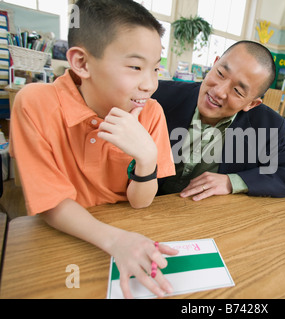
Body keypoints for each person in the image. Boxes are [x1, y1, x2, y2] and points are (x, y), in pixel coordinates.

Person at [9, 0, 178, 298]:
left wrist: (147, 159)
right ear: (82, 63)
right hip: (64, 235)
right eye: (136, 67)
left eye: (156, 68)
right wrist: (115, 241)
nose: (150, 84)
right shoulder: (35, 103)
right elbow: (51, 202)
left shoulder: (151, 113)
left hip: (127, 230)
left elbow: (140, 203)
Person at [152, 41, 285, 200]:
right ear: (215, 63)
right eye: (220, 73)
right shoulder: (160, 94)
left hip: (204, 214)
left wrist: (232, 181)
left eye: (237, 91)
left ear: (251, 103)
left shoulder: (265, 124)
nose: (218, 91)